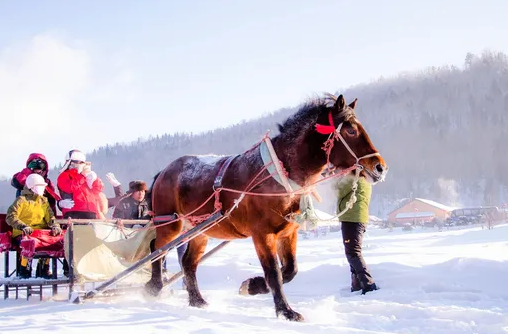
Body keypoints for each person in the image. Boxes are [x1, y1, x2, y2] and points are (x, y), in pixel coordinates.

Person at [6, 174, 63, 279]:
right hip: (23, 233)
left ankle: (43, 268)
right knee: (30, 243)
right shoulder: (21, 200)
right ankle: (24, 268)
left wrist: (55, 226)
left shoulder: (43, 202)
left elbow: (50, 217)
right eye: (39, 186)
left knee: (54, 242)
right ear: (32, 187)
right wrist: (22, 226)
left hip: (40, 234)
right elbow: (10, 216)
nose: (42, 189)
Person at [336, 175, 378, 295]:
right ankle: (357, 285)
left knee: (353, 253)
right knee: (352, 252)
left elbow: (339, 189)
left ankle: (368, 285)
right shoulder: (365, 179)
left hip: (352, 218)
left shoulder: (354, 178)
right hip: (356, 217)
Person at [56, 149, 105, 219]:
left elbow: (97, 189)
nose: (80, 165)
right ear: (70, 163)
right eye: (77, 162)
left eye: (82, 163)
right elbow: (68, 188)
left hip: (91, 211)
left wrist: (94, 179)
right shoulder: (64, 175)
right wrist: (81, 176)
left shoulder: (86, 175)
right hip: (73, 211)